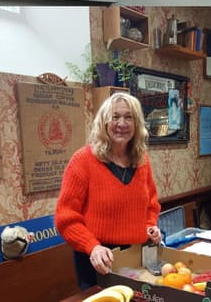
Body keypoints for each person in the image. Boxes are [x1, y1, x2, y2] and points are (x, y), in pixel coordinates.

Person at [55, 92, 162, 290]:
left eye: (128, 117)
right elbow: (65, 218)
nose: (122, 123)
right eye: (115, 117)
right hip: (98, 260)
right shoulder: (82, 160)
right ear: (104, 122)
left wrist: (150, 227)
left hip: (136, 258)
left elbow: (151, 205)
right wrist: (92, 246)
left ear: (137, 124)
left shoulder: (142, 161)